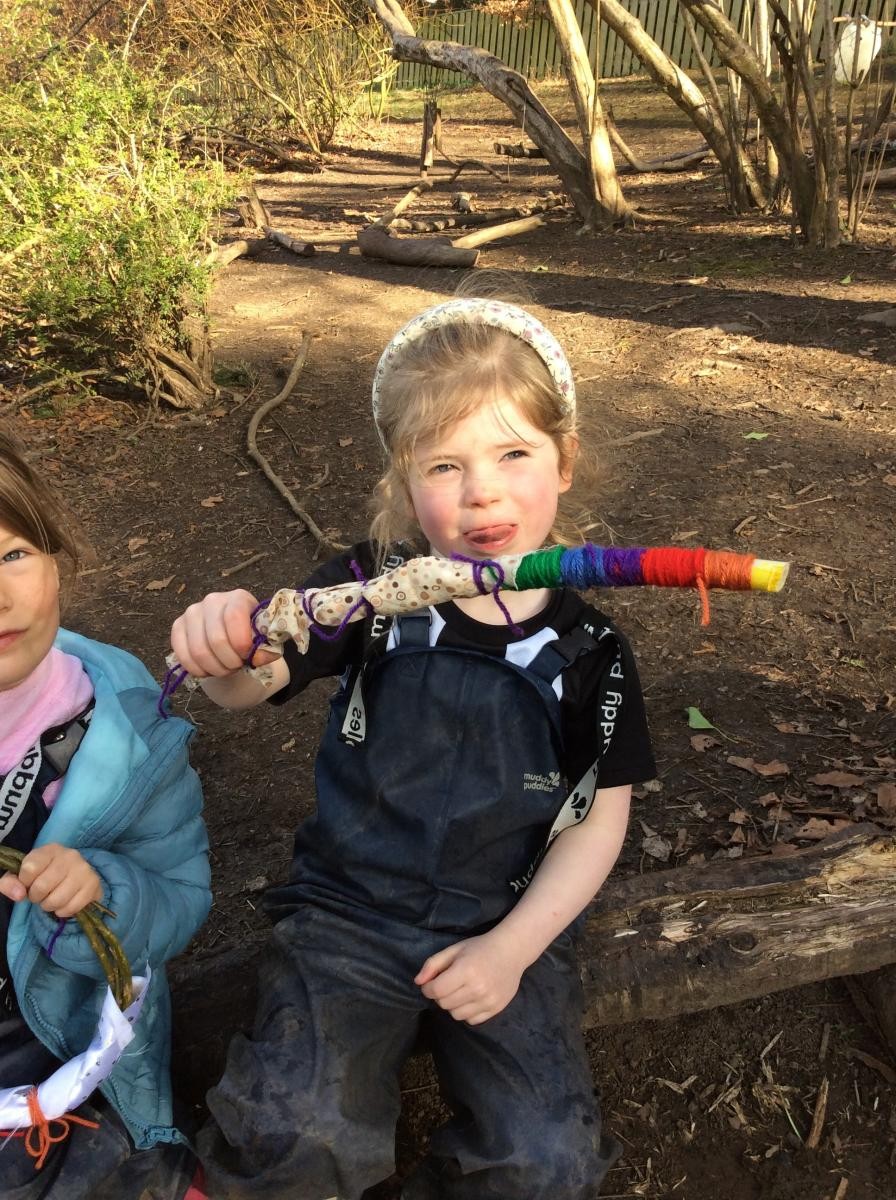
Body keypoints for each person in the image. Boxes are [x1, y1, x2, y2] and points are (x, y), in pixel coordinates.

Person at [171, 295, 656, 1200]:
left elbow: (598, 822)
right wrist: (221, 648)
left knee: (545, 1163)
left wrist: (511, 949)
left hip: (507, 924)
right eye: (445, 464)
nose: (483, 492)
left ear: (565, 460)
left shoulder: (592, 653)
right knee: (292, 1130)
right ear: (403, 481)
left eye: (515, 454)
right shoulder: (366, 589)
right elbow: (251, 683)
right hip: (348, 918)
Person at [0, 428, 211, 1200]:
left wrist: (103, 896)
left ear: (58, 559)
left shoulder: (124, 734)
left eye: (13, 554)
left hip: (75, 1063)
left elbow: (183, 897)